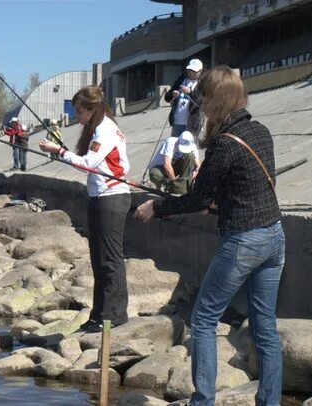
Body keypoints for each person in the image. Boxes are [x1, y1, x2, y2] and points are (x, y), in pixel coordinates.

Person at [135, 66, 285, 406]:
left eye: (201, 99)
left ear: (215, 101)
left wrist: (155, 208)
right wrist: (219, 204)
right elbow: (253, 188)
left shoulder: (223, 144)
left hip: (244, 240)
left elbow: (195, 198)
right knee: (265, 327)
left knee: (203, 319)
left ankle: (202, 401)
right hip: (274, 237)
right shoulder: (261, 131)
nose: (199, 106)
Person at [39, 85, 131, 333]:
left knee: (110, 260)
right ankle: (99, 314)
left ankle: (114, 315)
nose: (77, 117)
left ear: (91, 109)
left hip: (112, 199)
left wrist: (59, 151)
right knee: (98, 259)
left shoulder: (105, 130)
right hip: (100, 197)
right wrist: (62, 151)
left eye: (79, 112)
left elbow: (88, 164)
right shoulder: (99, 128)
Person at [164, 58, 204, 138]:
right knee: (175, 147)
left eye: (194, 71)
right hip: (177, 122)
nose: (191, 73)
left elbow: (202, 103)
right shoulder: (181, 80)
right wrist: (173, 95)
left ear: (200, 71)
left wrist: (190, 93)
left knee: (189, 148)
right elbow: (167, 98)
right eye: (190, 70)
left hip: (192, 124)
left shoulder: (202, 84)